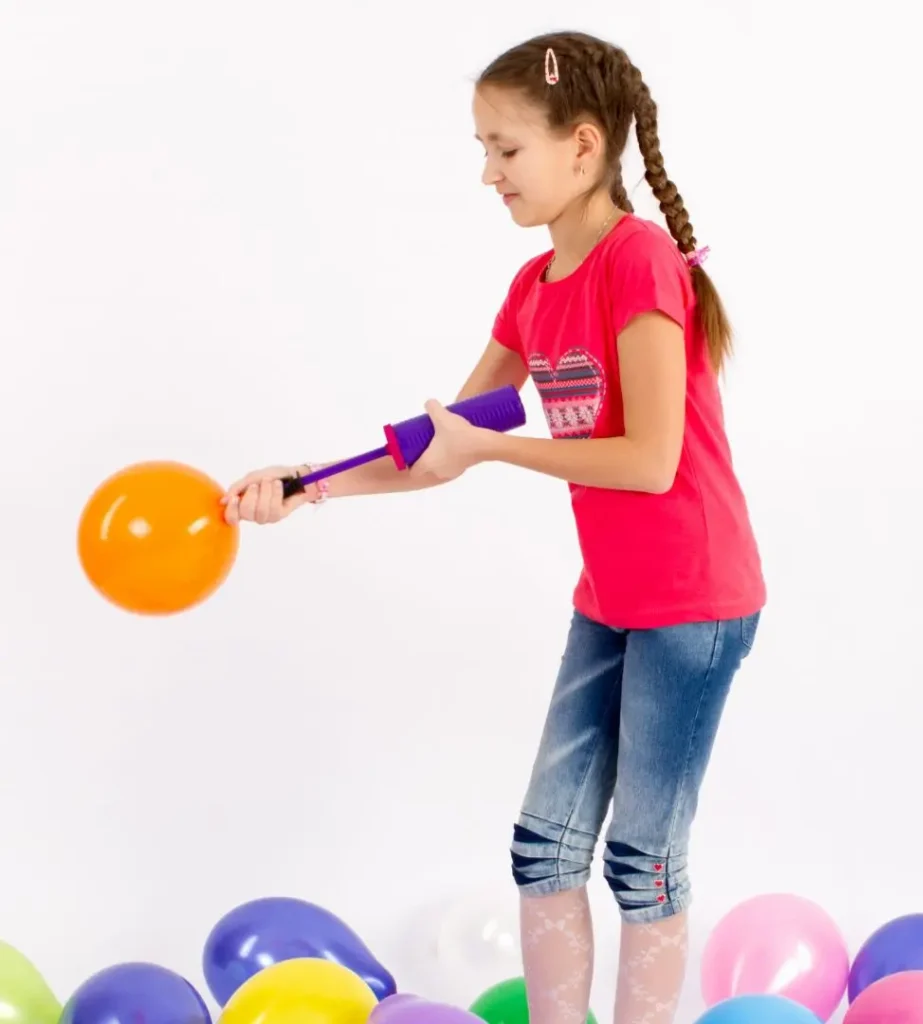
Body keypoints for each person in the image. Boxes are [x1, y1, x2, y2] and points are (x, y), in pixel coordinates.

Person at [223, 29, 765, 1024]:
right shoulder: (530, 291)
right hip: (613, 600)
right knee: (544, 847)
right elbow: (442, 444)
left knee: (641, 860)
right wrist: (308, 483)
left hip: (695, 601)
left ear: (583, 146)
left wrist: (496, 450)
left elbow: (648, 461)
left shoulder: (638, 262)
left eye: (504, 149)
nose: (487, 174)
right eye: (482, 148)